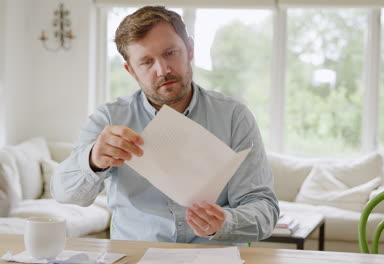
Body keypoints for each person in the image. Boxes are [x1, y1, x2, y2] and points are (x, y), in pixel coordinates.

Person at [51, 5, 279, 246]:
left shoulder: (234, 116)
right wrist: (92, 160)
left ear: (190, 49)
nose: (163, 70)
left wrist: (226, 221)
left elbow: (265, 209)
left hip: (214, 258)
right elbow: (64, 194)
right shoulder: (109, 119)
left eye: (171, 53)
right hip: (136, 258)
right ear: (131, 71)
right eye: (147, 62)